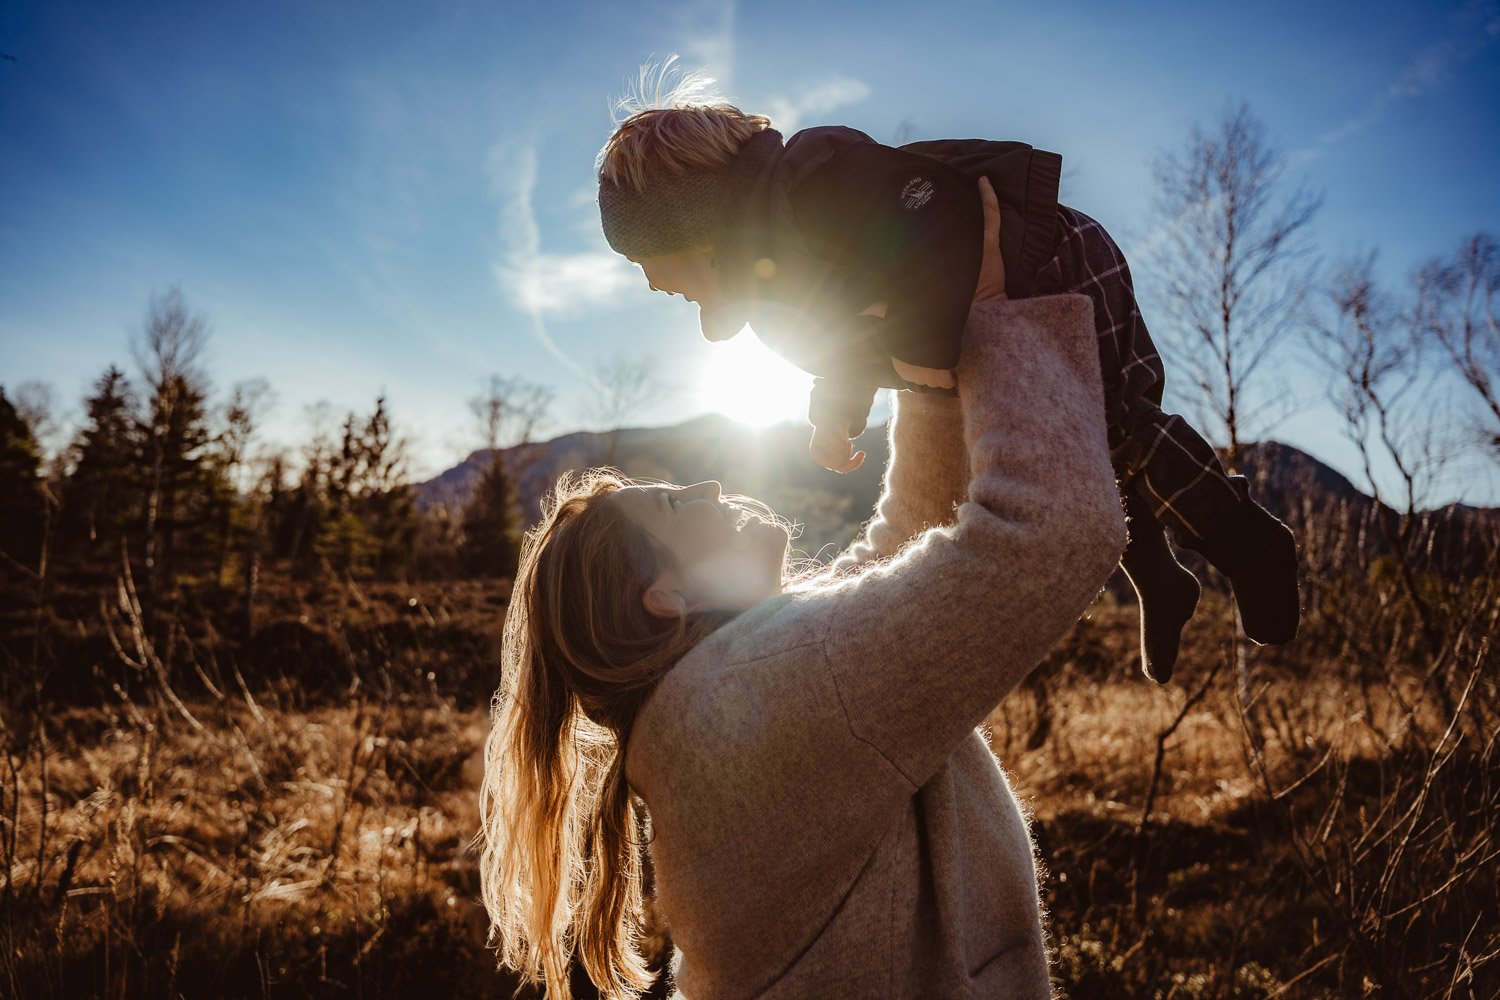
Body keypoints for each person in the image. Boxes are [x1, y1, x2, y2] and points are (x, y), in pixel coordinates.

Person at [476, 181, 1128, 996]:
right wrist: (991, 306)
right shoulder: (760, 691)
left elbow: (903, 550)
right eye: (679, 506)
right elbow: (1057, 531)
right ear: (665, 599)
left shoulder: (721, 701)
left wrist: (930, 357)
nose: (711, 488)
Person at [594, 71, 1300, 683]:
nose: (651, 284)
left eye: (645, 263)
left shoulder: (818, 176)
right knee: (1096, 449)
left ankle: (1252, 545)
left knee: (1123, 430)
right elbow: (838, 329)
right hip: (1010, 306)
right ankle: (1160, 579)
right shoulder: (771, 268)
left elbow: (931, 219)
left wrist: (923, 344)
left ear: (691, 226)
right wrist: (832, 409)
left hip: (1053, 262)